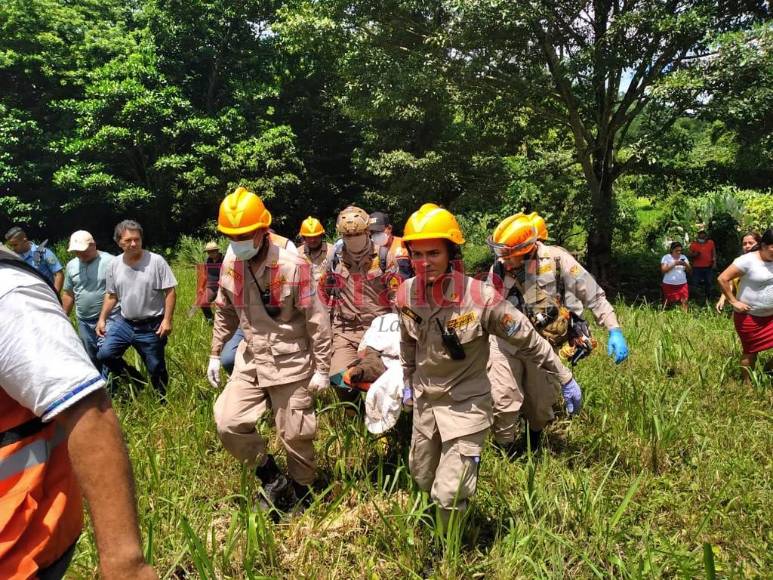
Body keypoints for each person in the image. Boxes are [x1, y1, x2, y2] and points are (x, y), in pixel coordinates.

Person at [396, 203, 581, 528]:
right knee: (423, 477)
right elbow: (407, 342)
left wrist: (564, 377)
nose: (425, 263)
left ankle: (448, 553)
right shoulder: (405, 295)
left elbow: (528, 339)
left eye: (433, 254)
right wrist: (407, 381)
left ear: (451, 253)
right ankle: (438, 523)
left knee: (450, 493)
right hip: (427, 404)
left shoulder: (480, 297)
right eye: (418, 254)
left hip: (467, 405)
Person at [0, 244, 156, 580]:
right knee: (101, 358)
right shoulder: (73, 266)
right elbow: (70, 288)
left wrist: (125, 564)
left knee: (146, 364)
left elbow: (86, 407)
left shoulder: (8, 293)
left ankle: (151, 387)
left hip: (18, 542)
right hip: (88, 321)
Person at [206, 186, 332, 510]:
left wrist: (322, 368)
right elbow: (225, 310)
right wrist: (214, 352)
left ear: (263, 230)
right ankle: (271, 476)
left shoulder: (291, 265)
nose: (239, 241)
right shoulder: (232, 262)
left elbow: (317, 318)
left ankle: (303, 491)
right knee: (227, 421)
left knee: (295, 434)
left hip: (291, 358)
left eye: (245, 233)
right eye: (232, 235)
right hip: (252, 356)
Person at [486, 212, 628, 455]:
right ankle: (505, 452)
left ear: (527, 248)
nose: (504, 260)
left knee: (540, 406)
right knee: (503, 401)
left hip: (541, 347)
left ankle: (533, 443)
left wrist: (614, 329)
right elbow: (487, 305)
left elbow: (592, 293)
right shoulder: (499, 268)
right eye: (501, 254)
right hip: (504, 344)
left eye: (509, 256)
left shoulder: (556, 260)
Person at [323, 206, 397, 410]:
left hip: (378, 332)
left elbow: (396, 298)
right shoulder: (334, 259)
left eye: (356, 234)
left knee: (379, 379)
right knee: (338, 378)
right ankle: (354, 415)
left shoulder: (384, 258)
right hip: (346, 330)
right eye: (347, 235)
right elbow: (323, 294)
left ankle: (381, 418)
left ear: (367, 232)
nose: (352, 238)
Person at [96, 220, 177, 396]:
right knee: (105, 355)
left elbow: (170, 291)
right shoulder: (114, 265)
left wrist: (167, 320)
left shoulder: (156, 261)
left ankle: (161, 400)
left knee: (156, 367)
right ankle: (136, 380)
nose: (133, 243)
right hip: (125, 323)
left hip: (151, 325)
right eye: (128, 240)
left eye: (137, 239)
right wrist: (102, 319)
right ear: (119, 242)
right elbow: (111, 295)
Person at [219, 229, 299, 373]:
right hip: (247, 319)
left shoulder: (286, 246)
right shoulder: (235, 249)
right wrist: (214, 354)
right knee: (228, 359)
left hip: (280, 321)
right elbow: (224, 305)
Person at [717, 228, 773, 379]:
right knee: (751, 351)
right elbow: (723, 278)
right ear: (763, 245)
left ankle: (768, 369)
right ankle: (747, 386)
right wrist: (733, 301)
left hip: (771, 317)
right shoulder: (747, 261)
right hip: (749, 316)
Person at [61, 230, 118, 373]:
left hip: (109, 318)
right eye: (76, 252)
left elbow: (118, 291)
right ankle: (99, 382)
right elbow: (68, 293)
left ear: (93, 245)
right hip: (84, 321)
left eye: (83, 251)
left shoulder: (111, 261)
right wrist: (63, 316)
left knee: (105, 353)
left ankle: (110, 387)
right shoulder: (71, 265)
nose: (80, 255)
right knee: (91, 355)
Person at [4, 226, 64, 292]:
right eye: (11, 246)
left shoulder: (44, 252)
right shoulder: (14, 257)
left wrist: (55, 295)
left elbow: (59, 274)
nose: (12, 248)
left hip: (46, 295)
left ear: (24, 240)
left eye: (15, 245)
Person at [716, 232, 761, 313]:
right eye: (744, 244)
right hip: (743, 309)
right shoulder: (739, 262)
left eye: (751, 243)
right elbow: (729, 282)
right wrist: (723, 298)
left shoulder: (767, 262)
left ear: (759, 244)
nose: (747, 246)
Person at [369, 211, 412, 278]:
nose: (376, 235)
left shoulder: (404, 244)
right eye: (373, 232)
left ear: (389, 228)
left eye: (379, 231)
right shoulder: (370, 251)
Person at [297, 216, 334, 283]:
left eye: (316, 236)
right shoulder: (297, 254)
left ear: (321, 235)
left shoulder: (332, 251)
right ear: (303, 238)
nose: (313, 240)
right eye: (309, 237)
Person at [660, 242, 691, 311]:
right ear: (671, 250)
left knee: (684, 301)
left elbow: (689, 271)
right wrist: (674, 263)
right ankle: (663, 315)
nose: (679, 252)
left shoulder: (683, 257)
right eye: (676, 251)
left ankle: (685, 317)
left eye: (680, 250)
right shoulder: (666, 257)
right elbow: (663, 270)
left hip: (682, 284)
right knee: (666, 302)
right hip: (668, 284)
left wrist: (685, 264)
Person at [198, 242, 224, 323]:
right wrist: (201, 287)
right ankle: (210, 319)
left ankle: (224, 322)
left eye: (212, 251)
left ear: (217, 250)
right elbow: (204, 275)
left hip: (223, 286)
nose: (210, 253)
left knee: (223, 306)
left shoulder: (224, 259)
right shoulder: (207, 261)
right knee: (203, 303)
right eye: (208, 252)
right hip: (211, 287)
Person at [688, 229, 717, 300]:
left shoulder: (711, 243)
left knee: (709, 283)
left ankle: (708, 298)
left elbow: (714, 253)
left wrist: (714, 262)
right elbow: (689, 255)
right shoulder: (693, 244)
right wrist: (695, 254)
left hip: (708, 267)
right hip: (696, 267)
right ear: (698, 237)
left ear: (706, 237)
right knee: (695, 283)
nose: (702, 239)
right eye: (700, 237)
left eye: (703, 237)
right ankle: (696, 299)